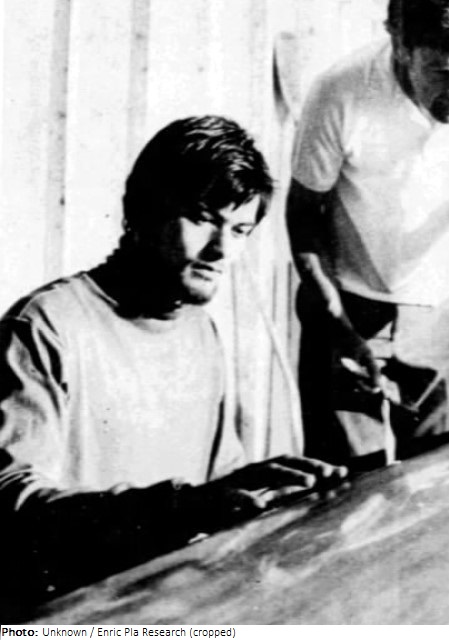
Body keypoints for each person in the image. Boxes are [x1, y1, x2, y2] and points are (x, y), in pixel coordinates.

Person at [0, 115, 346, 612]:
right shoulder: (46, 326)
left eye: (240, 229)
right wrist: (183, 508)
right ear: (140, 211)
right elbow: (15, 509)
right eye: (203, 218)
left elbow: (213, 490)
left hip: (171, 609)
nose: (221, 250)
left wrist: (268, 496)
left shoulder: (201, 332)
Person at [287, 0, 449, 469]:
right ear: (399, 43)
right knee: (345, 488)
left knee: (436, 488)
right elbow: (303, 214)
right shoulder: (341, 91)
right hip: (349, 309)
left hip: (440, 317)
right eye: (442, 72)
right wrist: (334, 318)